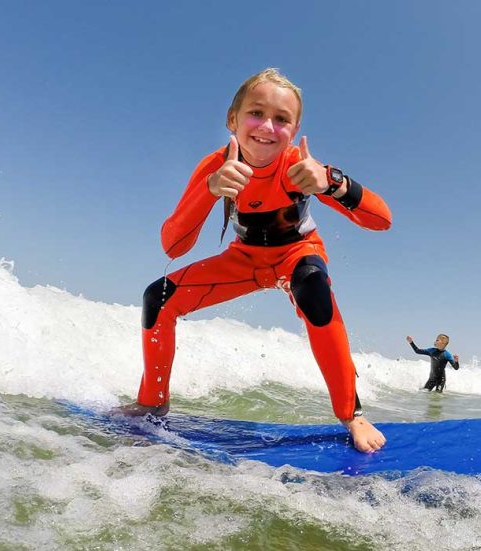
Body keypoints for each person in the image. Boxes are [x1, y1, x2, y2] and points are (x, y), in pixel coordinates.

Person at [115, 68, 391, 453]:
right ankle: (152, 403)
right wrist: (210, 190)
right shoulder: (215, 166)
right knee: (157, 297)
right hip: (243, 261)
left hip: (297, 255)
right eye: (256, 113)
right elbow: (173, 246)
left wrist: (332, 183)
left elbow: (381, 220)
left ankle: (351, 414)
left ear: (293, 131)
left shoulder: (299, 166)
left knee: (313, 287)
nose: (267, 126)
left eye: (282, 120)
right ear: (232, 120)